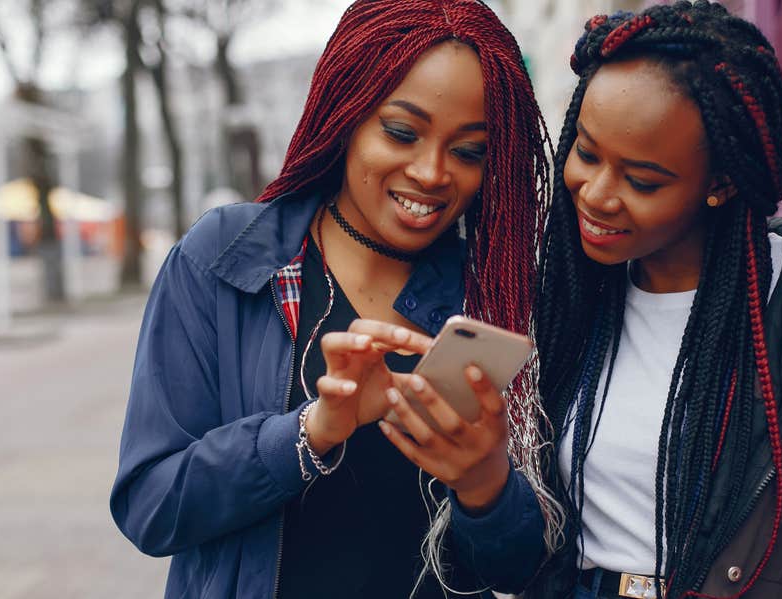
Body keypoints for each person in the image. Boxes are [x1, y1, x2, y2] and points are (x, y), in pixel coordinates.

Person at [376, 2, 782, 598]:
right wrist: (482, 482)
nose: (597, 194)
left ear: (720, 183)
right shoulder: (561, 299)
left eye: (642, 180)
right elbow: (516, 561)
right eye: (586, 153)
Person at [108, 1, 559, 597]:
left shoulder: (494, 298)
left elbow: (523, 568)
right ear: (344, 113)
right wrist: (312, 432)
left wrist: (485, 486)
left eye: (469, 151)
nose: (432, 172)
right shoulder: (225, 258)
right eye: (402, 132)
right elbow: (152, 507)